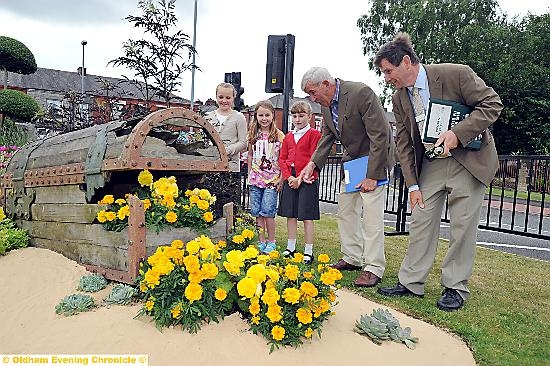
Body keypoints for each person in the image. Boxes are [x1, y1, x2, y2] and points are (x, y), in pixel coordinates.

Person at [374, 32, 503, 311]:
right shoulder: (399, 99)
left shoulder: (455, 74)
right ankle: (410, 282)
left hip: (467, 160)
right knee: (420, 220)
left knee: (462, 226)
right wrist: (412, 185)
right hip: (431, 164)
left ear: (406, 61)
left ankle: (455, 287)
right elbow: (404, 144)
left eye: (388, 71)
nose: (386, 78)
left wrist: (458, 134)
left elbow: (492, 104)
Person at [300, 67, 395, 287]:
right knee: (345, 210)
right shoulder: (325, 107)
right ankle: (352, 257)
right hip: (352, 164)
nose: (312, 99)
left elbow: (381, 135)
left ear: (326, 83)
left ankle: (374, 267)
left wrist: (373, 175)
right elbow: (327, 136)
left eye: (313, 93)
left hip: (373, 161)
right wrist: (313, 163)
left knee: (371, 216)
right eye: (309, 95)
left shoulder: (361, 93)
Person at [278, 101, 322, 265]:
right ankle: (291, 247)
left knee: (306, 216)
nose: (298, 119)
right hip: (291, 178)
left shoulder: (314, 135)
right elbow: (282, 159)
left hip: (307, 178)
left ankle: (308, 251)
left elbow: (314, 158)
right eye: (294, 116)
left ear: (309, 117)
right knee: (291, 214)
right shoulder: (288, 137)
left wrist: (301, 178)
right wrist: (289, 177)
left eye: (301, 115)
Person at [247, 100, 285, 254]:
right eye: (261, 115)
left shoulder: (278, 135)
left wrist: (282, 178)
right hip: (256, 179)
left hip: (272, 180)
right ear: (256, 117)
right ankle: (261, 241)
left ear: (272, 116)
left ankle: (272, 241)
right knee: (257, 212)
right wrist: (250, 172)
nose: (264, 118)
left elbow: (283, 158)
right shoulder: (252, 135)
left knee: (268, 212)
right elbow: (250, 155)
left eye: (267, 115)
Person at [203, 83, 247, 215]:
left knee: (230, 205)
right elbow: (203, 139)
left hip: (231, 168)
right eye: (221, 97)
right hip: (211, 167)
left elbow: (243, 142)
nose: (224, 101)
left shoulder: (239, 117)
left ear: (233, 98)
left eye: (228, 97)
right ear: (216, 97)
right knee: (210, 203)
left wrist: (227, 150)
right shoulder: (208, 117)